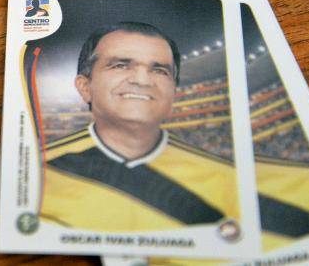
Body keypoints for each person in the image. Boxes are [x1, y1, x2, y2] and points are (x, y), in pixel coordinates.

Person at [39, 22, 241, 232]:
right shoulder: (39, 173)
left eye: (159, 70)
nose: (142, 80)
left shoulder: (230, 182)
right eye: (121, 65)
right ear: (85, 87)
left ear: (174, 91)